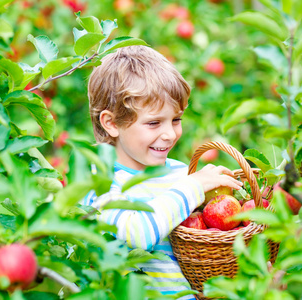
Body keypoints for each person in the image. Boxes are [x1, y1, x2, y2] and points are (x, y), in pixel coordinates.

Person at [82, 45, 242, 299]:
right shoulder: (98, 182)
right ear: (111, 123)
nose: (170, 134)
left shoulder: (180, 175)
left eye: (176, 119)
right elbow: (138, 233)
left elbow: (196, 255)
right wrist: (194, 187)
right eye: (154, 122)